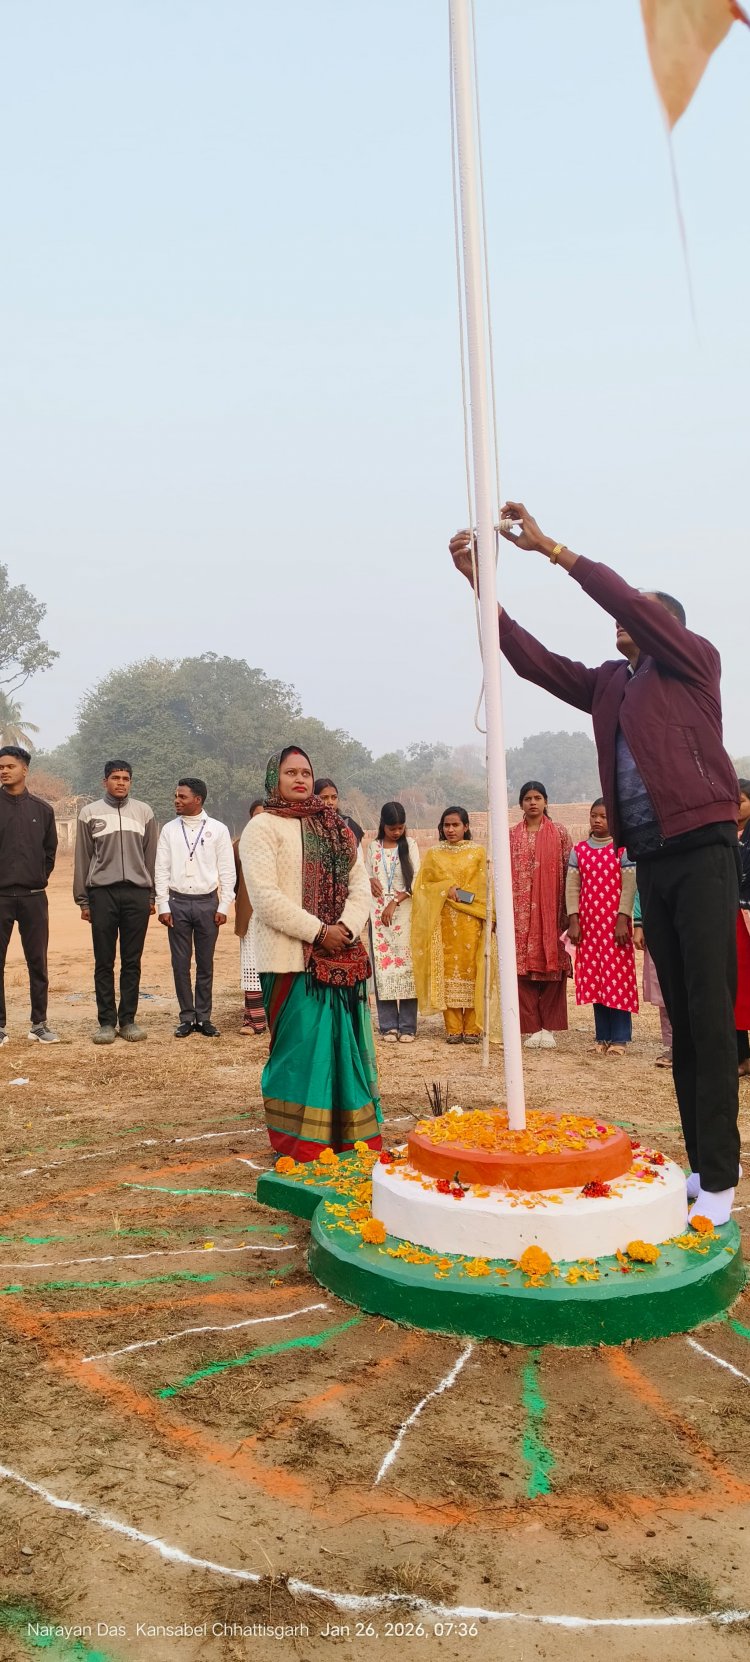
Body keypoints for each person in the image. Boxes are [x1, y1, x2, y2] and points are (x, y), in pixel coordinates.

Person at [451, 504, 742, 1224]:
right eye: (625, 617)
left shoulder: (693, 662)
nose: (625, 622)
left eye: (640, 615)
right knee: (680, 1016)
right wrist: (481, 585)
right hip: (655, 864)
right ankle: (700, 1169)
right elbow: (531, 661)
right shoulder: (612, 684)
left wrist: (551, 548)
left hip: (705, 852)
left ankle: (723, 1180)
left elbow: (621, 597)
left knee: (711, 1020)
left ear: (665, 628)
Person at [241, 746, 381, 1160]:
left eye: (306, 772)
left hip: (343, 958)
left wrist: (348, 928)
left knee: (344, 1050)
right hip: (289, 959)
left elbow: (360, 884)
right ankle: (300, 1142)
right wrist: (320, 932)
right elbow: (265, 898)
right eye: (290, 772)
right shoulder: (262, 828)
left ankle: (348, 1136)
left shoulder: (336, 827)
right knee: (299, 1053)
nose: (300, 779)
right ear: (275, 779)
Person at [74, 760, 157, 1044]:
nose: (121, 783)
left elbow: (151, 858)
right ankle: (106, 1023)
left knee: (132, 961)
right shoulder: (90, 813)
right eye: (115, 778)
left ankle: (129, 1021)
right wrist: (83, 901)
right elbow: (82, 859)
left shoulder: (144, 812)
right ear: (104, 781)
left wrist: (151, 895)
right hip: (102, 894)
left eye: (126, 778)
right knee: (104, 961)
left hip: (136, 893)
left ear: (131, 782)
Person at [155, 778, 235, 1038]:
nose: (176, 800)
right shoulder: (169, 829)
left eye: (182, 796)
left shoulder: (218, 829)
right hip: (177, 903)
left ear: (197, 799)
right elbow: (161, 869)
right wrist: (162, 904)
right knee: (180, 964)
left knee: (205, 964)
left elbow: (227, 871)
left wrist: (224, 905)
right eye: (176, 795)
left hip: (207, 904)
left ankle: (204, 1017)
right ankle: (186, 1017)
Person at [411, 806, 495, 1044]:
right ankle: (452, 1027)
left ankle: (472, 1027)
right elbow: (422, 887)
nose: (450, 829)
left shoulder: (478, 852)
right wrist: (445, 888)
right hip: (444, 920)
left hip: (472, 920)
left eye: (455, 825)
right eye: (446, 825)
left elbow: (485, 885)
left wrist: (488, 915)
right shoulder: (434, 854)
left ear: (466, 827)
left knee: (473, 969)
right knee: (446, 972)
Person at [566, 797, 638, 1056]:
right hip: (588, 927)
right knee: (595, 980)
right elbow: (572, 888)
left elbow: (629, 888)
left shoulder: (622, 850)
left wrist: (622, 919)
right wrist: (574, 920)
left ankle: (619, 1038)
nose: (597, 820)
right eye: (593, 815)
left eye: (603, 816)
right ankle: (602, 1036)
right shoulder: (579, 850)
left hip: (615, 927)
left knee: (617, 979)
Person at [0, 745, 58, 1044]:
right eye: (1, 766)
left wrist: (37, 877)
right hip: (0, 898)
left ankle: (39, 1024)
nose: (4, 770)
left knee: (38, 961)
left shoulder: (43, 810)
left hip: (35, 897)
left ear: (25, 769)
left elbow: (50, 853)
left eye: (10, 766)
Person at [509, 781, 572, 1049]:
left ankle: (549, 1028)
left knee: (552, 969)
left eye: (537, 798)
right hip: (519, 914)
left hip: (553, 911)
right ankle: (531, 1027)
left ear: (546, 802)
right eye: (527, 798)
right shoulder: (510, 836)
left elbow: (572, 873)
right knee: (522, 971)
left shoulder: (560, 833)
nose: (532, 803)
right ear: (520, 804)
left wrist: (570, 911)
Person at [365, 801, 420, 1042]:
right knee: (382, 967)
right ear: (383, 825)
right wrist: (369, 880)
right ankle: (388, 1025)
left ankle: (407, 1025)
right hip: (377, 916)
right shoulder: (373, 847)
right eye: (392, 828)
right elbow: (367, 875)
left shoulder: (411, 846)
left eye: (400, 828)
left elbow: (416, 880)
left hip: (404, 911)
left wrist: (394, 902)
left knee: (407, 968)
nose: (396, 832)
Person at [233, 798, 266, 1035]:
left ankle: (274, 1019)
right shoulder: (239, 846)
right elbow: (234, 879)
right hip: (251, 914)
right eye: (257, 815)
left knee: (275, 966)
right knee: (251, 965)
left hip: (276, 915)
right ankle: (253, 1019)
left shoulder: (281, 842)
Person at [633, 891, 673, 1067]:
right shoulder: (652, 862)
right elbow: (642, 888)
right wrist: (639, 924)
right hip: (658, 926)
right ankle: (674, 1046)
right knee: (664, 990)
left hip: (689, 924)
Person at [735, 778, 750, 1078]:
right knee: (734, 986)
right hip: (730, 916)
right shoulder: (721, 834)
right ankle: (741, 1055)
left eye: (741, 801)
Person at [314, 778, 364, 847]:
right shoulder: (309, 824)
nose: (330, 802)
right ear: (314, 799)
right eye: (324, 798)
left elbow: (358, 856)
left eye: (334, 797)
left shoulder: (348, 823)